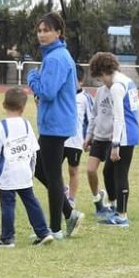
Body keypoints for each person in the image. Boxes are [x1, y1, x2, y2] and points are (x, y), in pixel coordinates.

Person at [26, 12, 84, 239]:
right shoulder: (56, 55)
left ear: (58, 32)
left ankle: (56, 229)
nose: (42, 34)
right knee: (40, 169)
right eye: (39, 30)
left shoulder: (56, 57)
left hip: (55, 123)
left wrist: (32, 77)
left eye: (47, 30)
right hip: (55, 122)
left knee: (51, 174)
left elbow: (47, 92)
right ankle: (69, 215)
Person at [0, 87, 54, 247]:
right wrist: (31, 170)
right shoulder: (26, 125)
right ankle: (43, 232)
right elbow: (33, 152)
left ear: (3, 104)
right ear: (23, 107)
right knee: (31, 202)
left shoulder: (0, 126)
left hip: (8, 174)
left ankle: (7, 237)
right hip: (24, 171)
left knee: (8, 204)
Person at [85, 52, 139, 227]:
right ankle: (116, 208)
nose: (103, 83)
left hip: (123, 136)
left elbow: (118, 117)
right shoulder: (127, 81)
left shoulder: (117, 86)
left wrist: (115, 144)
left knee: (120, 174)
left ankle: (122, 216)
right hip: (130, 132)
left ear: (103, 72)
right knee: (108, 172)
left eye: (101, 78)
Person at [63, 66, 96, 207]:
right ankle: (63, 189)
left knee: (73, 170)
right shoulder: (62, 93)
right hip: (59, 139)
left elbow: (93, 119)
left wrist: (90, 140)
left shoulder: (85, 98)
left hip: (75, 141)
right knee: (51, 168)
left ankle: (71, 199)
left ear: (81, 82)